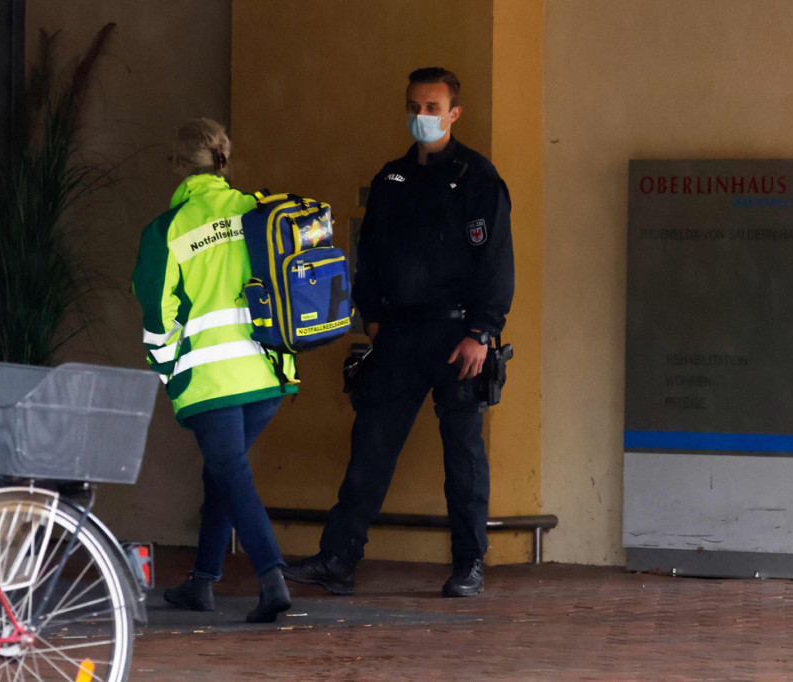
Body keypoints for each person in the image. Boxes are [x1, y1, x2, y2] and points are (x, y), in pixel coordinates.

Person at [283, 67, 515, 598]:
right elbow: (370, 256)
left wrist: (482, 333)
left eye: (433, 108)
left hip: (459, 335)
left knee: (463, 454)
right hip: (399, 334)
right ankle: (338, 559)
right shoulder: (391, 178)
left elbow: (497, 265)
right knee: (371, 446)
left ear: (454, 113)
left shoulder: (479, 179)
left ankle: (469, 565)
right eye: (414, 106)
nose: (421, 117)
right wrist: (371, 316)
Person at [131, 118, 298, 623]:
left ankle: (272, 579)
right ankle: (201, 582)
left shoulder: (169, 229)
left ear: (180, 168)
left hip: (212, 383)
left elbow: (158, 317)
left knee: (231, 472)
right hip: (268, 376)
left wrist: (169, 373)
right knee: (221, 473)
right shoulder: (256, 211)